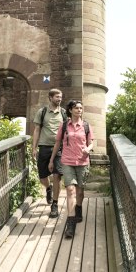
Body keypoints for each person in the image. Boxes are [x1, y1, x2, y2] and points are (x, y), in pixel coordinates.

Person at [48, 99, 93, 238]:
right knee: (70, 190)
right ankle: (71, 224)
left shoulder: (86, 125)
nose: (79, 110)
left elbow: (91, 143)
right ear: (70, 110)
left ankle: (78, 209)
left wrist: (88, 149)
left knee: (80, 191)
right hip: (67, 161)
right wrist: (51, 160)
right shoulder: (64, 126)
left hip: (82, 162)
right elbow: (57, 143)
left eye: (81, 108)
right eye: (76, 108)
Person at [32, 88, 65, 218]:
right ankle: (48, 188)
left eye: (61, 96)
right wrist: (34, 148)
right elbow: (36, 130)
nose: (59, 99)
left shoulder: (64, 113)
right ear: (50, 98)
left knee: (57, 176)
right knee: (42, 176)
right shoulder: (42, 112)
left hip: (60, 149)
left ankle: (55, 205)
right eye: (57, 96)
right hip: (44, 147)